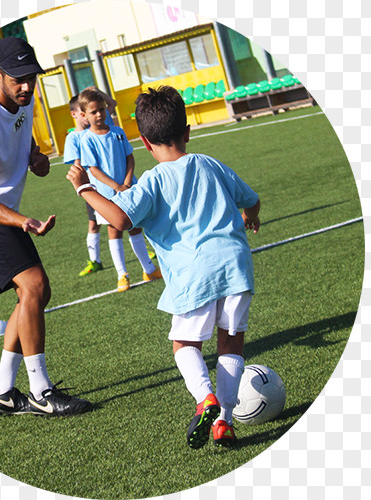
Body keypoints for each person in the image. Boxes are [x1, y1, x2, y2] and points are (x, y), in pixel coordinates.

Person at [66, 85, 261, 447]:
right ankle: (226, 421)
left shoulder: (153, 180)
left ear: (142, 140)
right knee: (231, 343)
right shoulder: (210, 163)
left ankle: (205, 399)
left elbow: (120, 220)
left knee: (184, 343)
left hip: (194, 275)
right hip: (236, 267)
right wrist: (251, 217)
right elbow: (251, 199)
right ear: (187, 132)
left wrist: (84, 189)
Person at [0, 36, 92, 417]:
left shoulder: (25, 98)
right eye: (17, 79)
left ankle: (3, 393)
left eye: (32, 78)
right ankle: (41, 392)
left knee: (30, 295)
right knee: (37, 287)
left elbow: (24, 141)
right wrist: (25, 222)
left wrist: (35, 159)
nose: (26, 86)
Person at [77, 88, 161, 292]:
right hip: (107, 195)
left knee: (135, 226)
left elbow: (129, 157)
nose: (99, 115)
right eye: (93, 112)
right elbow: (93, 170)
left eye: (101, 110)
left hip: (128, 188)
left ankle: (148, 269)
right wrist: (116, 187)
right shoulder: (86, 139)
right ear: (84, 115)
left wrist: (127, 182)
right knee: (114, 231)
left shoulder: (118, 132)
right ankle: (122, 275)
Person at [62, 91, 114, 276]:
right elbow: (77, 166)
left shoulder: (103, 127)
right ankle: (95, 260)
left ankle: (140, 248)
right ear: (76, 114)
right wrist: (83, 188)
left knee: (127, 220)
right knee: (95, 224)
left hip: (113, 183)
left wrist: (96, 91)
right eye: (82, 111)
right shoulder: (75, 138)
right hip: (94, 189)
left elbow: (112, 104)